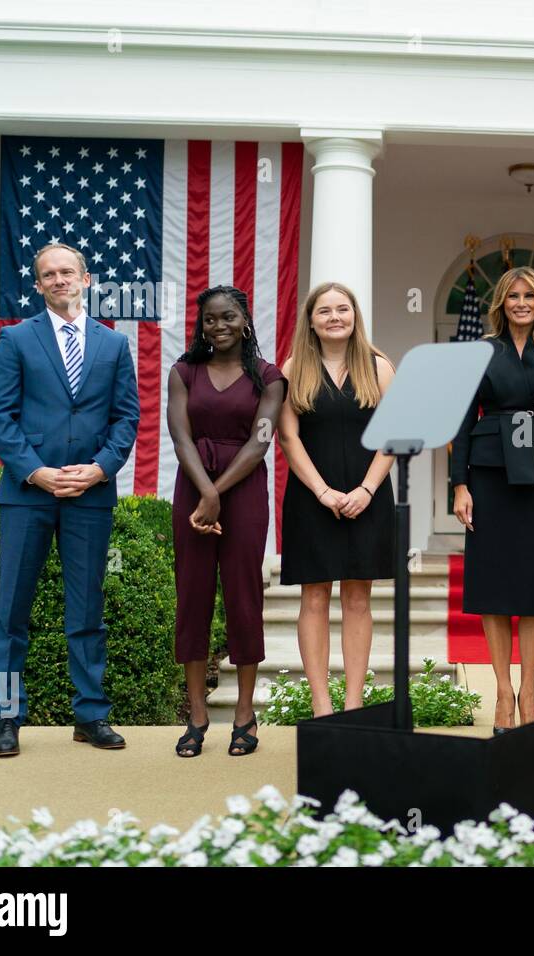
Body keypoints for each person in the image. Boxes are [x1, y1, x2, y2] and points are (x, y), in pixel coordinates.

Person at [0, 243, 139, 757]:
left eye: (66, 271)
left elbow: (126, 419)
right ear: (38, 284)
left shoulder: (113, 346)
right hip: (28, 496)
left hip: (90, 496)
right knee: (12, 611)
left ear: (86, 278)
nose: (58, 279)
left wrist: (99, 469)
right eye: (48, 274)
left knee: (87, 608)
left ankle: (91, 715)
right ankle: (6, 718)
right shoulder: (16, 340)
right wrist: (37, 473)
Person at [451, 266, 534, 735]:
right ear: (501, 303)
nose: (521, 302)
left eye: (529, 295)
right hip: (488, 475)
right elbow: (462, 420)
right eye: (512, 296)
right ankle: (501, 692)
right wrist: (459, 485)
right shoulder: (481, 351)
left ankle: (529, 691)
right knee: (492, 585)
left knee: (532, 587)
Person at [168, 285, 286, 757]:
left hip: (244, 491)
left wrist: (219, 492)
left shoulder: (268, 377)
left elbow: (260, 442)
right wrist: (205, 493)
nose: (219, 326)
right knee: (192, 595)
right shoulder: (184, 372)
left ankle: (243, 712)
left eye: (228, 317)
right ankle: (197, 714)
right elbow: (180, 436)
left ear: (245, 321)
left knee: (243, 596)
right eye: (210, 319)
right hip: (194, 490)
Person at [277, 282, 395, 718]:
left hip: (369, 495)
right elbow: (288, 437)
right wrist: (323, 491)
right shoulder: (293, 369)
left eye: (342, 309)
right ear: (310, 320)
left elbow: (393, 436)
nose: (334, 317)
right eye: (324, 310)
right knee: (314, 596)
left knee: (358, 598)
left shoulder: (378, 366)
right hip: (312, 497)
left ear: (354, 315)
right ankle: (321, 704)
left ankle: (354, 701)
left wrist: (366, 489)